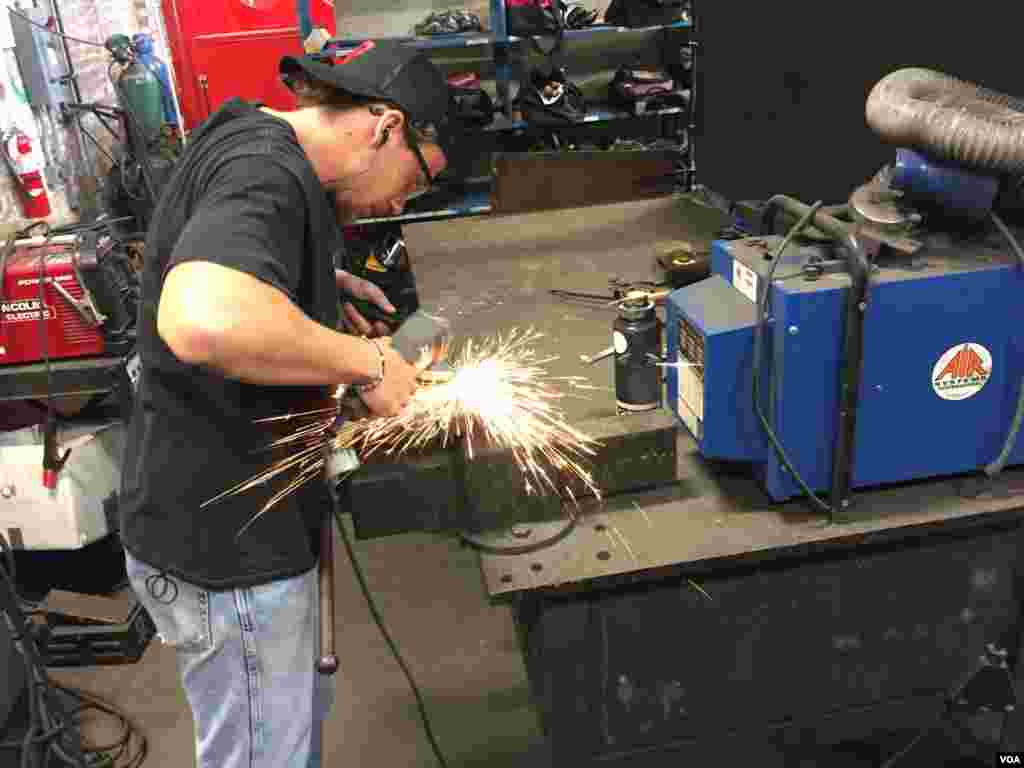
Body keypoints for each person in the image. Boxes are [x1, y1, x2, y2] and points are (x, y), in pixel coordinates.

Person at [119, 41, 460, 768]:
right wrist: (366, 363)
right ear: (384, 127)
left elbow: (212, 248)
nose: (404, 201)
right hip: (228, 548)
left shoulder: (251, 134)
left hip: (211, 519)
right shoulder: (264, 173)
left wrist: (311, 278)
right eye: (418, 179)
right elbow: (204, 317)